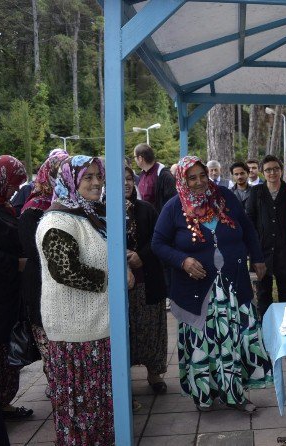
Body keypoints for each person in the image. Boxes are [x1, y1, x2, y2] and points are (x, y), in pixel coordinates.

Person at [152, 156, 271, 413]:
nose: (198, 182)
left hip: (232, 286)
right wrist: (182, 261)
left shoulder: (225, 198)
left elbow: (248, 228)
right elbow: (158, 244)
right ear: (182, 180)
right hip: (198, 290)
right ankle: (204, 396)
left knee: (233, 340)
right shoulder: (174, 208)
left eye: (202, 175)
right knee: (202, 343)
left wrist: (258, 258)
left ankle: (235, 394)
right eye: (191, 178)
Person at [36, 155, 135, 444]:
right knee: (80, 406)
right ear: (70, 181)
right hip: (74, 332)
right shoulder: (57, 221)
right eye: (87, 177)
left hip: (99, 324)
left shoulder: (90, 214)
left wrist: (123, 266)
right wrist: (114, 279)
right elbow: (66, 271)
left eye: (98, 176)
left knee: (100, 402)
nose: (95, 182)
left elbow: (108, 254)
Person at [18, 151, 69, 399]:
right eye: (58, 173)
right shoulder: (33, 210)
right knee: (49, 342)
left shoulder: (73, 208)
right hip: (41, 287)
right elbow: (38, 255)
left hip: (64, 288)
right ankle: (58, 387)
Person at [0, 155, 33, 421]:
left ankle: (4, 404)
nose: (15, 190)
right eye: (13, 183)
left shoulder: (2, 206)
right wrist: (15, 263)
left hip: (9, 294)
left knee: (7, 350)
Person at [124, 165, 169, 395]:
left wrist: (141, 255)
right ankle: (124, 379)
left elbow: (159, 238)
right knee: (126, 331)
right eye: (121, 179)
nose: (126, 183)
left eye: (130, 178)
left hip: (148, 281)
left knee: (152, 328)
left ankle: (154, 374)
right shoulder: (102, 211)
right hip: (122, 287)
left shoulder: (146, 209)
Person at [246, 155, 286, 317]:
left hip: (284, 250)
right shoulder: (256, 192)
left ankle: (285, 326)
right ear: (263, 172)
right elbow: (250, 219)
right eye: (268, 170)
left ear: (281, 170)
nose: (272, 173)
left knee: (285, 291)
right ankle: (265, 327)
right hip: (262, 251)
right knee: (263, 293)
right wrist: (255, 242)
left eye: (276, 169)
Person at [134, 143, 177, 214]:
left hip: (159, 221)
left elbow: (173, 201)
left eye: (135, 157)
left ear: (140, 158)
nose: (134, 160)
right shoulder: (142, 175)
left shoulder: (164, 175)